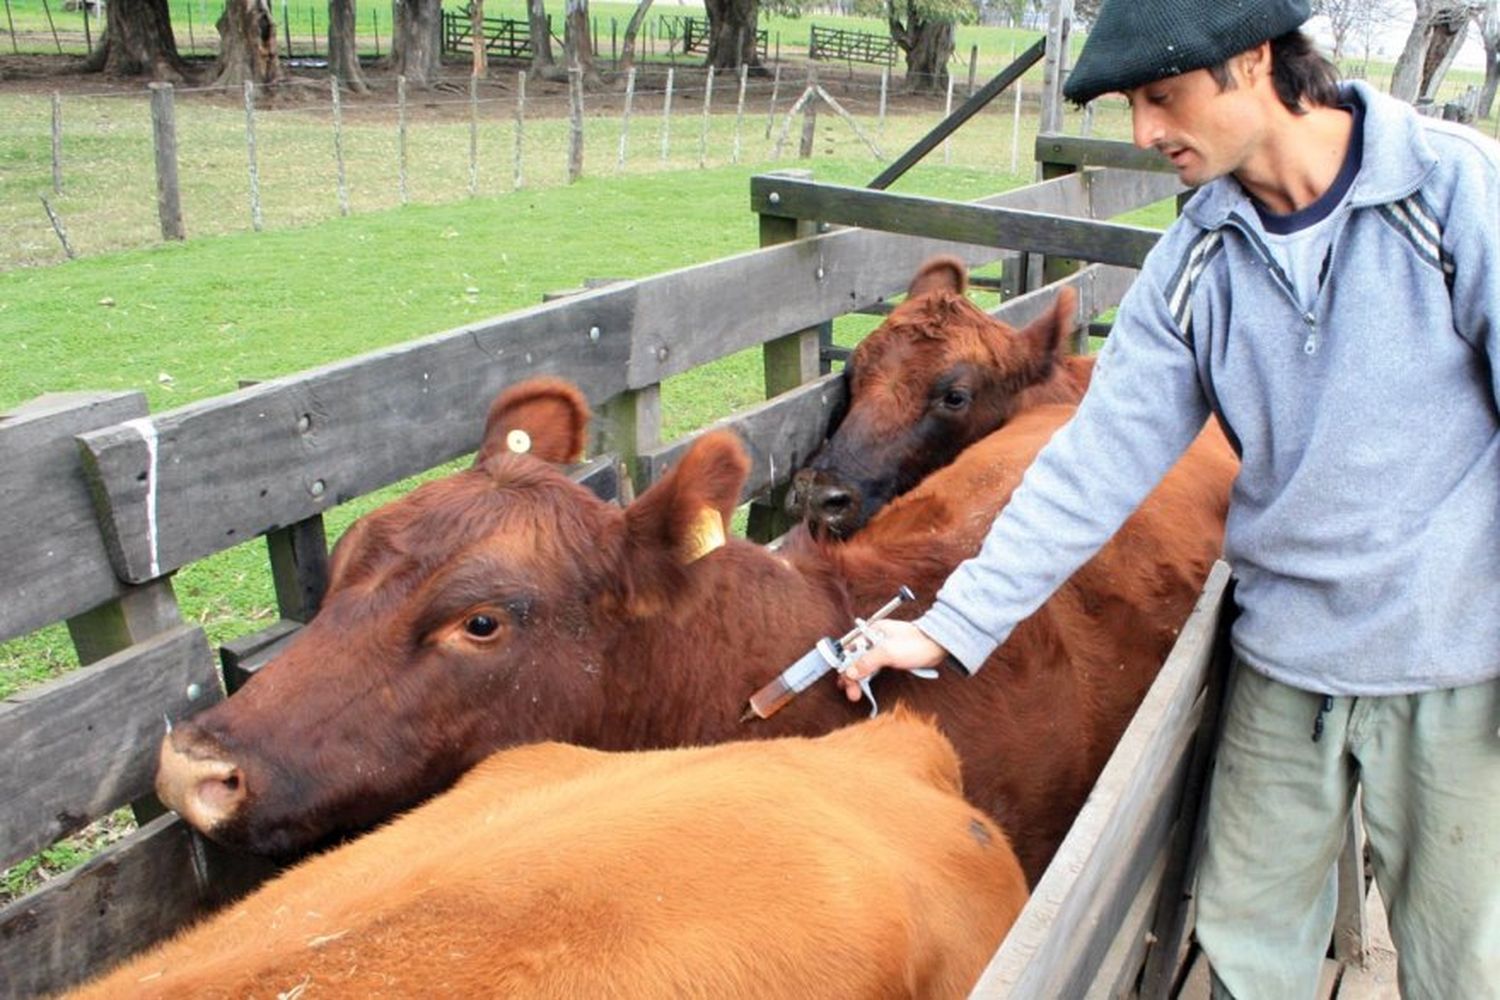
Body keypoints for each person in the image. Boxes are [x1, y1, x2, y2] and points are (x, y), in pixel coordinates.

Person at [839, 1, 1500, 996]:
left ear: (1253, 61)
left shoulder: (1453, 189)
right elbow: (1095, 460)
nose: (1145, 133)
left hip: (1456, 662)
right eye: (1132, 105)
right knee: (1244, 959)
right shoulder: (1198, 256)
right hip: (1287, 668)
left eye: (1162, 96)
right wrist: (951, 623)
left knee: (1465, 964)